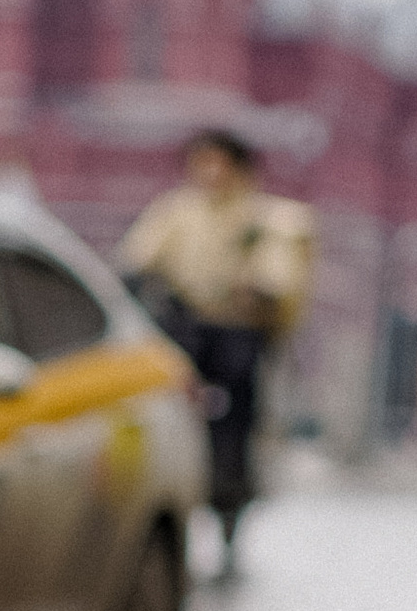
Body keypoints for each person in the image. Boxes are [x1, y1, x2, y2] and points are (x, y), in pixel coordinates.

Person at [120, 128, 314, 567]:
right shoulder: (177, 211)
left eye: (217, 162)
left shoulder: (264, 219)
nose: (208, 173)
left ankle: (229, 511)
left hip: (236, 336)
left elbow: (277, 279)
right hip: (185, 332)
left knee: (231, 431)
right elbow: (138, 256)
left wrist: (256, 290)